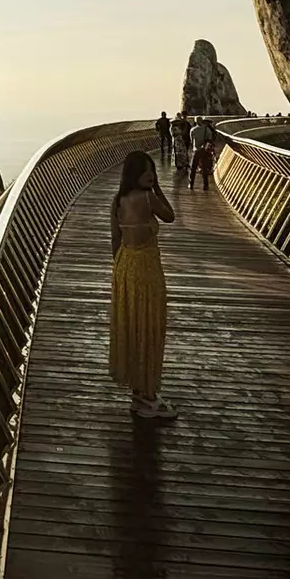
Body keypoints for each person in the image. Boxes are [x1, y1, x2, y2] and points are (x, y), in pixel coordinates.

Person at [110, 150, 177, 420]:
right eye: (145, 170)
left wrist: (119, 272)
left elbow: (115, 240)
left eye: (152, 170)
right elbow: (170, 216)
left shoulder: (118, 200)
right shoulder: (149, 198)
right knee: (150, 327)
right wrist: (158, 188)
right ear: (135, 174)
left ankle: (138, 394)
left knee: (131, 326)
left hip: (125, 265)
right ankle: (148, 397)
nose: (150, 175)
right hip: (147, 269)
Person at [188, 116, 215, 189]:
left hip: (196, 151)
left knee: (193, 168)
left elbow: (191, 140)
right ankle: (205, 185)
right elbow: (210, 139)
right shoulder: (207, 129)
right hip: (204, 151)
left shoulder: (193, 130)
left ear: (196, 121)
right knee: (204, 168)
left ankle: (191, 184)